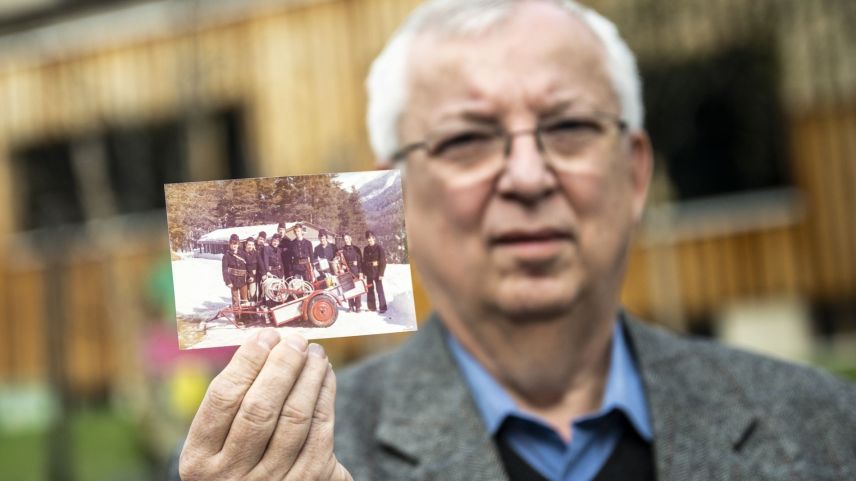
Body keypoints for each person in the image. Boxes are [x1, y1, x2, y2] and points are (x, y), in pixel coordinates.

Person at [178, 1, 856, 481]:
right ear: (391, 200)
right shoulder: (291, 455)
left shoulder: (827, 427)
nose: (529, 177)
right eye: (468, 139)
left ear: (635, 171)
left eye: (567, 127)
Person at [362, 230, 387, 314]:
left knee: (379, 290)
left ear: (374, 238)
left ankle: (383, 307)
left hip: (377, 272)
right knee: (370, 290)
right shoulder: (365, 249)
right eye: (368, 238)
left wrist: (381, 273)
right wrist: (364, 273)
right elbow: (364, 261)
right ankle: (372, 307)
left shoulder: (379, 248)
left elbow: (383, 261)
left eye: (371, 238)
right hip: (369, 272)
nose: (369, 240)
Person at [220, 233, 248, 307]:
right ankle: (237, 317)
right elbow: (224, 270)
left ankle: (245, 316)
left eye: (236, 243)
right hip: (233, 280)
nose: (234, 245)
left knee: (244, 300)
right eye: (232, 244)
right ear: (229, 244)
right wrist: (227, 281)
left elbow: (248, 265)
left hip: (243, 280)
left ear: (238, 244)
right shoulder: (226, 256)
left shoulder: (243, 253)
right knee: (235, 301)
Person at [340, 233, 364, 312]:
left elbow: (360, 262)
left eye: (347, 238)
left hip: (355, 270)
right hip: (347, 271)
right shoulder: (342, 250)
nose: (346, 240)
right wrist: (342, 266)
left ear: (351, 239)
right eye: (345, 239)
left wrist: (360, 272)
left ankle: (358, 306)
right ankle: (351, 306)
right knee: (348, 288)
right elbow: (340, 261)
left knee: (357, 288)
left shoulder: (356, 249)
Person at [243, 236, 260, 303]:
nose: (250, 246)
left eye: (252, 245)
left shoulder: (256, 253)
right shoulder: (242, 253)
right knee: (245, 296)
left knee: (253, 294)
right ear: (246, 244)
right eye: (249, 244)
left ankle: (254, 309)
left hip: (253, 277)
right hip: (244, 276)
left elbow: (259, 264)